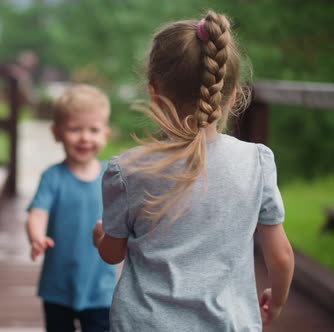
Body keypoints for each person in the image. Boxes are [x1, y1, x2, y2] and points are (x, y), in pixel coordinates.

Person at [92, 10, 295, 331]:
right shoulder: (257, 162)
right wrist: (279, 299)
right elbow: (281, 256)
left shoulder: (128, 169)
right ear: (233, 97)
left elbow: (112, 254)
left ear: (154, 94)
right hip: (229, 322)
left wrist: (101, 237)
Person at [26, 84, 116, 332]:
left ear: (105, 134)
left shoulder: (112, 176)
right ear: (56, 133)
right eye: (75, 129)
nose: (85, 137)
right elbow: (38, 212)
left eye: (93, 130)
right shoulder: (53, 177)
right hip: (58, 287)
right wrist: (37, 237)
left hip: (101, 288)